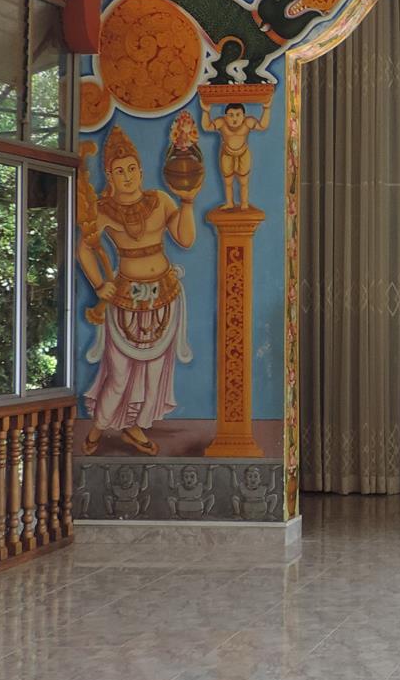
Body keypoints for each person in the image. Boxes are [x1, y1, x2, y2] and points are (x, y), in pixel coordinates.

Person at [76, 126, 198, 455]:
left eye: (132, 168)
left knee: (154, 372)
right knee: (118, 374)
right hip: (125, 298)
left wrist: (187, 201)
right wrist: (100, 284)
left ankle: (134, 427)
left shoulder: (159, 200)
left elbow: (185, 239)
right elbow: (84, 250)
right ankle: (99, 427)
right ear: (109, 177)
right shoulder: (102, 211)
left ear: (141, 171)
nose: (127, 176)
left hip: (164, 295)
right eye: (119, 171)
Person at [204, 101, 269, 209]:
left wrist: (267, 108)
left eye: (238, 115)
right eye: (231, 115)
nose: (235, 118)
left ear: (244, 116)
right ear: (226, 116)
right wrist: (206, 111)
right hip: (226, 153)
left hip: (243, 153)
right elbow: (207, 127)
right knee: (228, 181)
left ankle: (244, 203)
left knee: (243, 181)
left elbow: (262, 126)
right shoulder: (221, 122)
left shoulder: (248, 122)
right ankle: (230, 203)